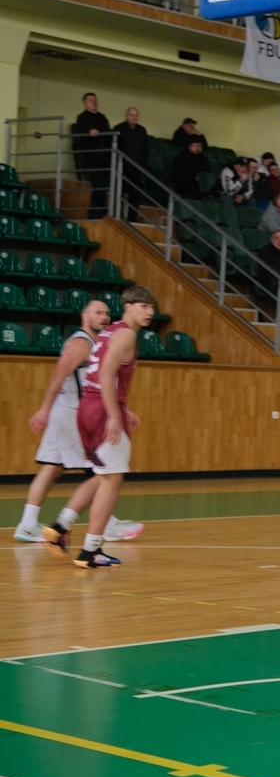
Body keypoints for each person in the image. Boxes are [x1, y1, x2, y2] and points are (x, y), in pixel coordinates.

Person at [44, 287, 156, 568]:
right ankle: (90, 550)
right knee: (111, 482)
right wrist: (115, 415)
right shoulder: (126, 334)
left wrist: (121, 408)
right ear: (128, 306)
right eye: (143, 306)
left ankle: (61, 526)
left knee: (101, 476)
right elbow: (106, 373)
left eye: (152, 307)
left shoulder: (109, 332)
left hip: (88, 407)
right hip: (102, 411)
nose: (150, 312)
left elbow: (97, 375)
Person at [16, 300, 144, 545]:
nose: (104, 317)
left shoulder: (100, 342)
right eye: (98, 313)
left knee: (53, 467)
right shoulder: (80, 343)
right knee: (102, 471)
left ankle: (28, 524)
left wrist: (123, 410)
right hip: (72, 412)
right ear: (85, 317)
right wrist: (44, 409)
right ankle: (106, 526)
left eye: (107, 313)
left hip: (70, 411)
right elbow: (58, 375)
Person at [73, 93, 111, 219]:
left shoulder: (102, 118)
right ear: (85, 103)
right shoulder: (82, 118)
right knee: (99, 186)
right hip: (90, 158)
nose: (94, 102)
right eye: (90, 100)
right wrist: (89, 132)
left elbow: (108, 134)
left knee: (103, 186)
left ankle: (102, 212)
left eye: (95, 100)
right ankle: (94, 213)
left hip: (103, 158)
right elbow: (80, 133)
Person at [113, 106, 149, 222]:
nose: (134, 117)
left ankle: (132, 219)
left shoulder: (142, 130)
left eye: (136, 115)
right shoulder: (118, 129)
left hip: (136, 168)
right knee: (119, 193)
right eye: (131, 115)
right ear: (126, 116)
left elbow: (146, 149)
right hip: (122, 167)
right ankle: (116, 216)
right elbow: (114, 149)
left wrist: (142, 164)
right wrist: (115, 167)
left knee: (136, 195)